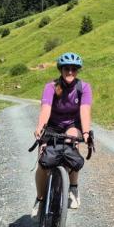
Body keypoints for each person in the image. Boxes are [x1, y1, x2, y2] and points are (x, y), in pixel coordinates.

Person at [32, 51, 93, 216]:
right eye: (67, 68)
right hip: (52, 125)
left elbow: (85, 111)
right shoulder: (51, 87)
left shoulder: (83, 88)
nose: (70, 72)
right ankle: (40, 199)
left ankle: (73, 188)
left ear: (78, 70)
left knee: (72, 144)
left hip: (72, 125)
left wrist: (86, 132)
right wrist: (40, 127)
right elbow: (46, 109)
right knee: (42, 161)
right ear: (61, 69)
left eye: (74, 69)